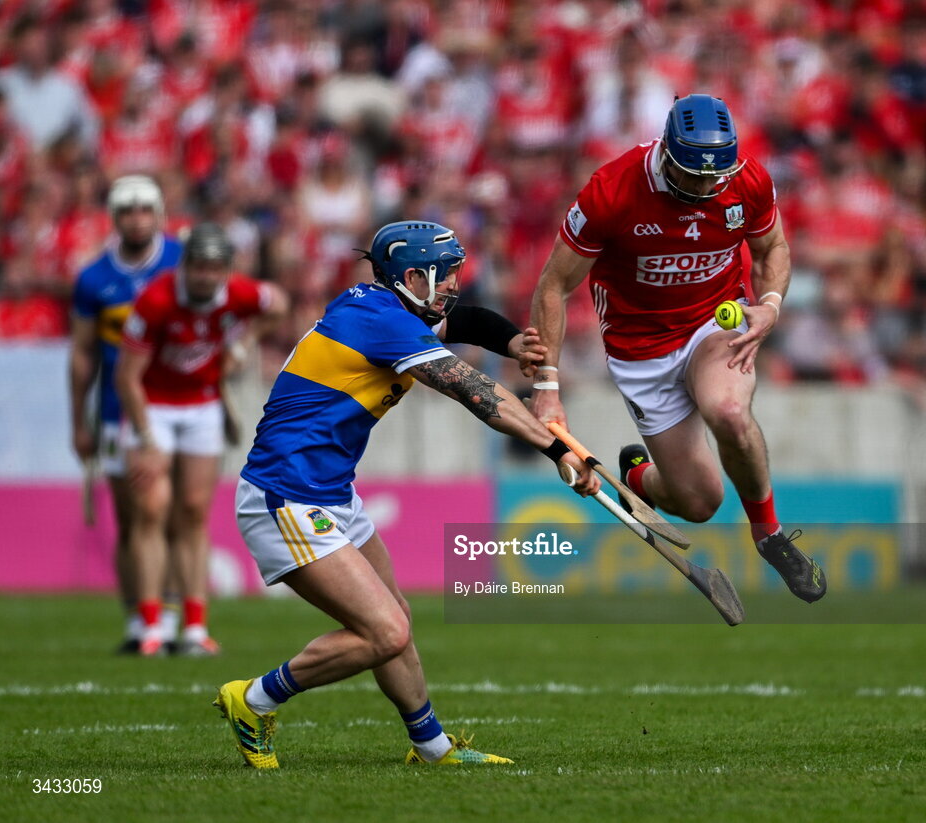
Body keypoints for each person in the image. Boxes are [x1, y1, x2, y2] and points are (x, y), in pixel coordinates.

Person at [212, 220, 598, 769]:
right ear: (413, 276)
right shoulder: (380, 322)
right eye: (446, 275)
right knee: (384, 632)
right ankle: (253, 700)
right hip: (285, 496)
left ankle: (432, 749)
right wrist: (562, 449)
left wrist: (511, 341)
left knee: (395, 618)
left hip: (328, 493)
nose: (455, 285)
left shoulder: (387, 307)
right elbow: (476, 392)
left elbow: (460, 321)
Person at [530, 94, 827, 604]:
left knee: (729, 411)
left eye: (715, 178)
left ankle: (769, 535)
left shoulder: (747, 180)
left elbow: (772, 247)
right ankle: (640, 477)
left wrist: (771, 305)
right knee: (699, 501)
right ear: (666, 155)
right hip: (640, 347)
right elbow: (553, 286)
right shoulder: (612, 191)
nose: (705, 189)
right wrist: (547, 388)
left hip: (713, 322)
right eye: (692, 177)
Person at [115, 222, 288, 656]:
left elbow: (279, 303)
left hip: (203, 403)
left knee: (193, 512)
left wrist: (244, 343)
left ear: (226, 270)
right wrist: (145, 438)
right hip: (152, 405)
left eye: (215, 268)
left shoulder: (238, 294)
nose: (207, 276)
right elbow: (127, 377)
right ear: (185, 266)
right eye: (199, 267)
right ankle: (151, 624)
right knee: (151, 509)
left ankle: (194, 627)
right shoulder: (155, 300)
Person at [69, 174, 184, 653]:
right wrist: (79, 420)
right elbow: (82, 355)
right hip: (117, 410)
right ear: (115, 219)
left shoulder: (181, 262)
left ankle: (174, 613)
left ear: (157, 213)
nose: (136, 219)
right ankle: (140, 615)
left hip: (179, 402)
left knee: (174, 512)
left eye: (144, 210)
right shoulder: (93, 278)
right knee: (130, 515)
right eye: (127, 211)